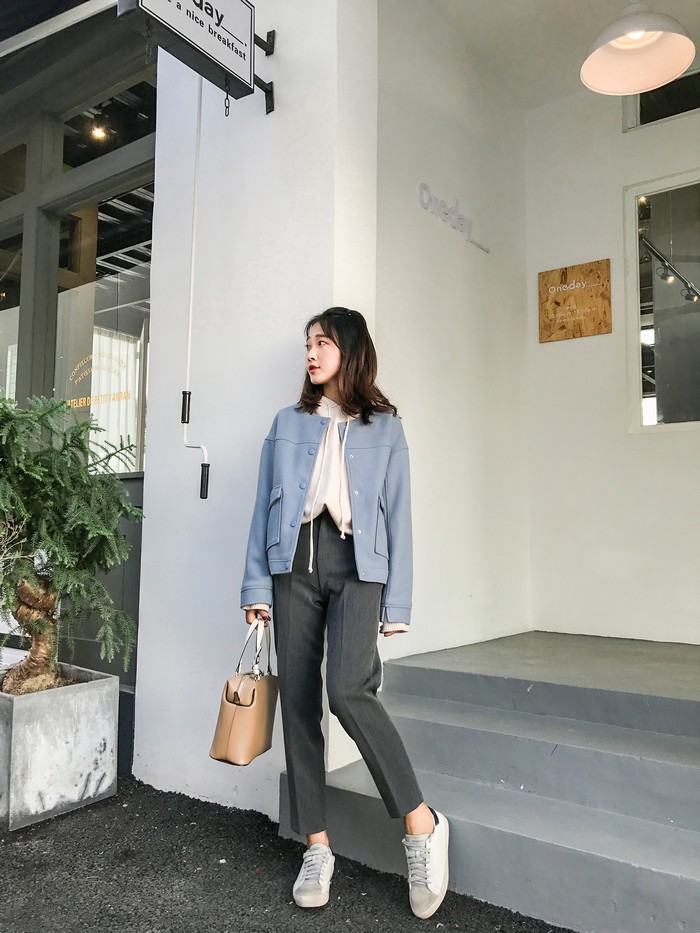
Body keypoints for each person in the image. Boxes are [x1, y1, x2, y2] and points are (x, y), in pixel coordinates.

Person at [240, 307, 449, 919]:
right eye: (308, 343)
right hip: (293, 565)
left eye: (323, 343)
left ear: (350, 350)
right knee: (299, 701)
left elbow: (399, 515)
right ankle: (316, 845)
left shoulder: (386, 427)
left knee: (349, 691)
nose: (311, 353)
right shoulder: (286, 423)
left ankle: (421, 823)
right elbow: (262, 506)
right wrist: (256, 586)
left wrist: (398, 599)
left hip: (360, 567)